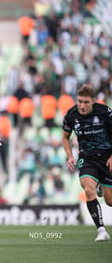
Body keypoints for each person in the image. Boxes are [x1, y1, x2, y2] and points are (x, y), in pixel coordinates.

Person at [62, 84, 112, 242]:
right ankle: (101, 231)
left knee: (110, 202)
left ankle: (100, 185)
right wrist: (70, 156)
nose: (82, 106)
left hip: (107, 157)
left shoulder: (105, 112)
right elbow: (65, 137)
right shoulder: (71, 115)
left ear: (93, 102)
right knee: (88, 189)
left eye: (86, 102)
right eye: (79, 102)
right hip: (87, 158)